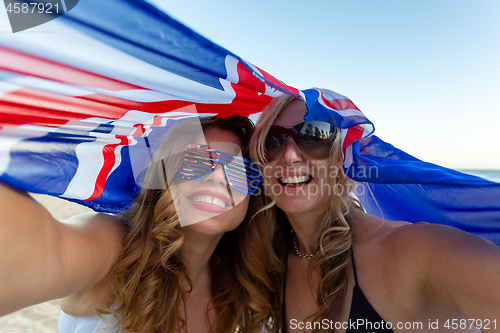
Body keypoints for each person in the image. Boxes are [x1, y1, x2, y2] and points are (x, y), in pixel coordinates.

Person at [0, 115, 277, 333]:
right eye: (197, 160)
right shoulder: (120, 248)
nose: (218, 176)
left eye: (239, 170)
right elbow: (52, 248)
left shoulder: (240, 286)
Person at [249, 93, 500, 333]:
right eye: (273, 141)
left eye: (313, 136)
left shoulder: (415, 252)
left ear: (341, 157)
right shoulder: (270, 266)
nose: (290, 156)